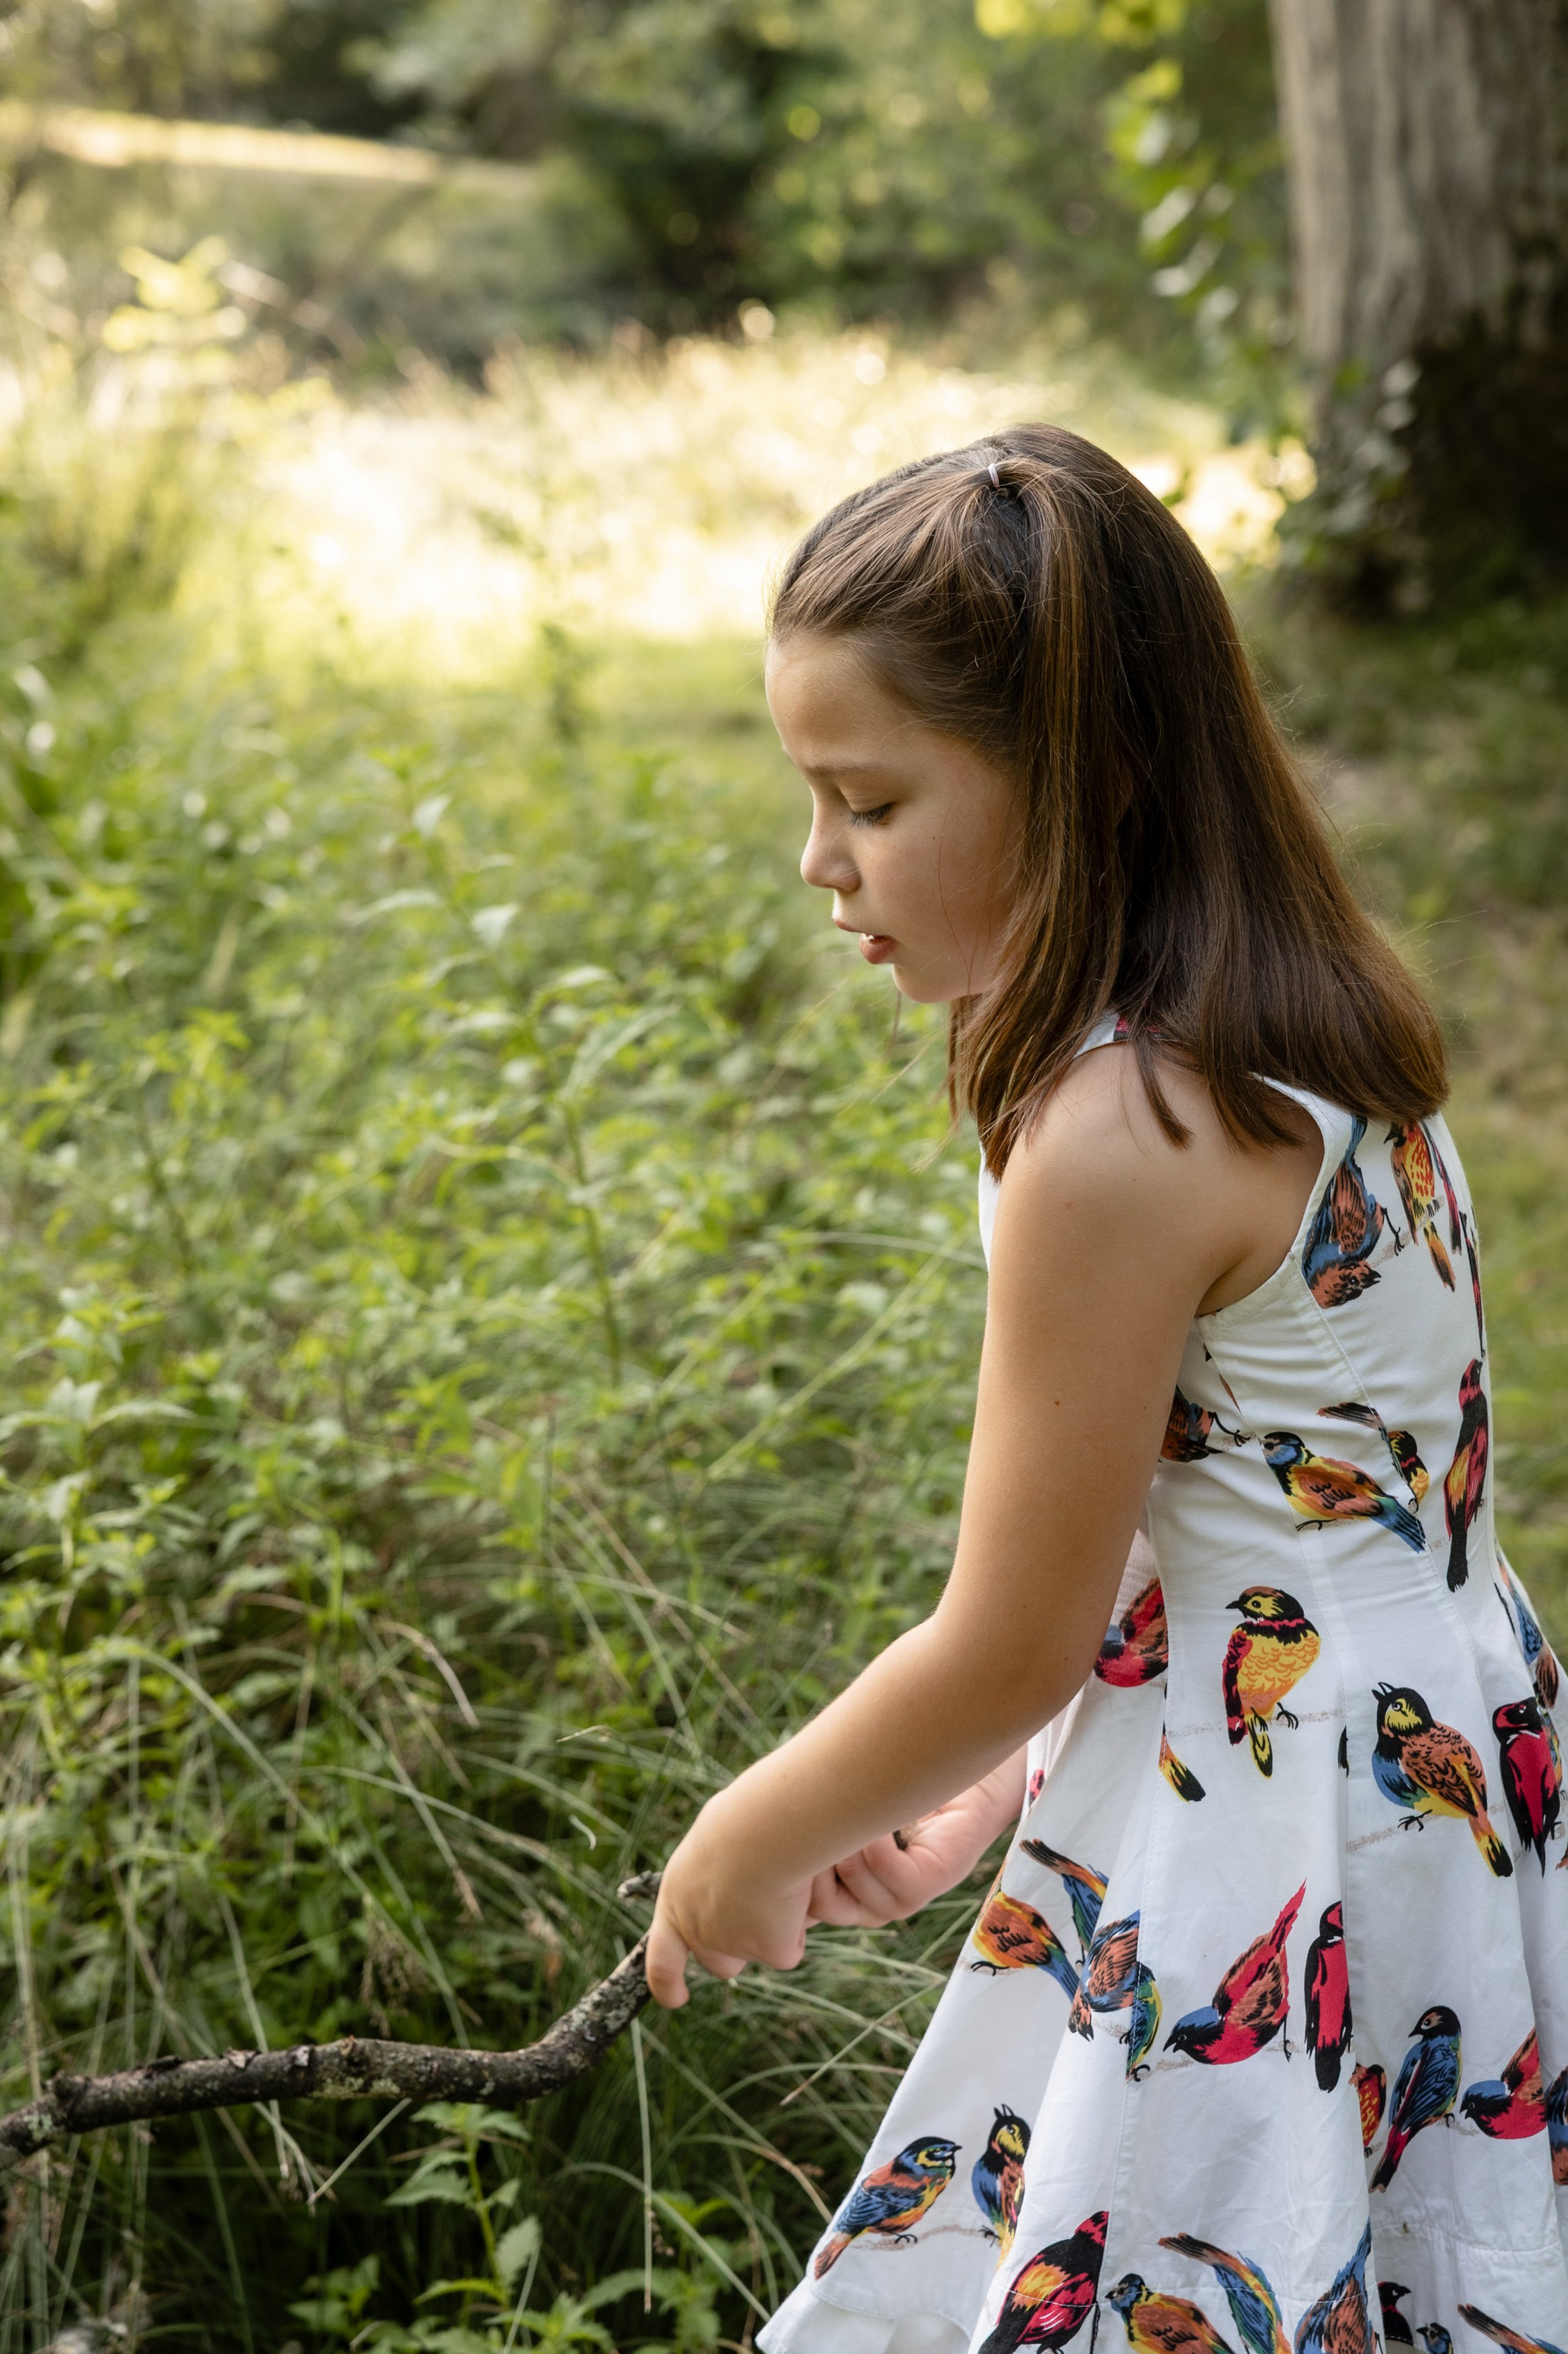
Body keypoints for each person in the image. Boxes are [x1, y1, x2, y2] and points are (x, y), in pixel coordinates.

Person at [645, 426, 1568, 2347]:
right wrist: (987, 1787)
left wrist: (751, 1828)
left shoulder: (1115, 1129)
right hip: (1445, 1757)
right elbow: (1257, 1513)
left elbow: (1013, 1625)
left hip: (1273, 1828)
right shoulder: (1311, 1024)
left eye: (871, 801)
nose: (820, 862)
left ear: (1088, 779)